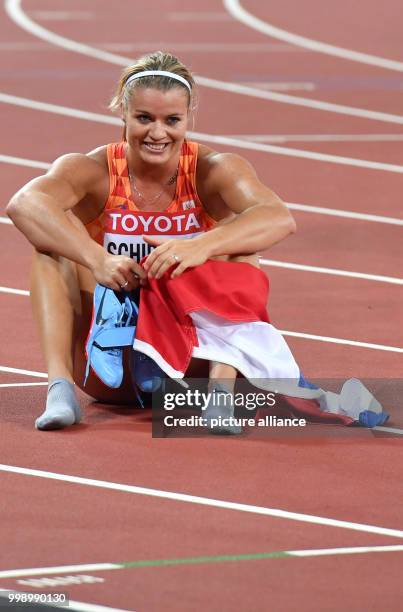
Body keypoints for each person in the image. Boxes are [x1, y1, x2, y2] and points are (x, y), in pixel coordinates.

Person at [6, 51, 296, 431]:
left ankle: (220, 397)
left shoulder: (214, 170)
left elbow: (278, 217)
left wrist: (200, 246)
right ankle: (59, 389)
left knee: (241, 252)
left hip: (185, 365)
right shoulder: (93, 169)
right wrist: (97, 259)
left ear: (188, 119)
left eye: (171, 120)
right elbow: (24, 204)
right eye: (144, 118)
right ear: (122, 115)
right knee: (50, 250)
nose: (158, 133)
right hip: (111, 366)